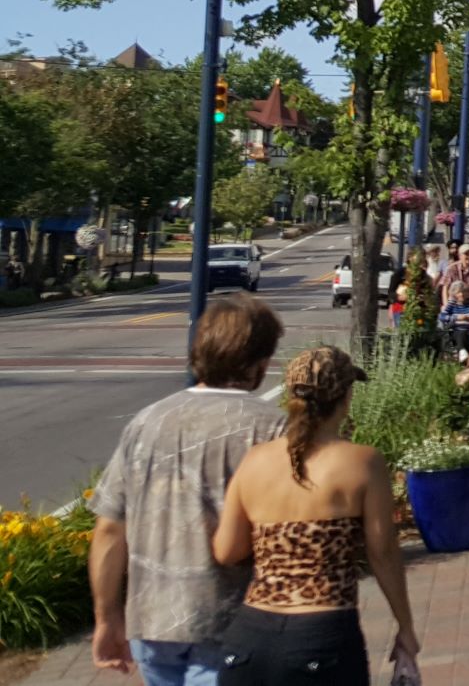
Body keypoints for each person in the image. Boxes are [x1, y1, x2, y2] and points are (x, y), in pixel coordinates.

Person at [88, 294, 287, 686]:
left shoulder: (146, 423)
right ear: (258, 362)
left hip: (153, 618)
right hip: (233, 618)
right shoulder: (272, 430)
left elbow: (110, 530)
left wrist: (106, 617)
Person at [209, 346, 418, 686]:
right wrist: (405, 627)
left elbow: (226, 551)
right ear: (346, 397)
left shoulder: (254, 460)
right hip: (322, 634)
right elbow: (384, 554)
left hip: (250, 637)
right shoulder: (362, 462)